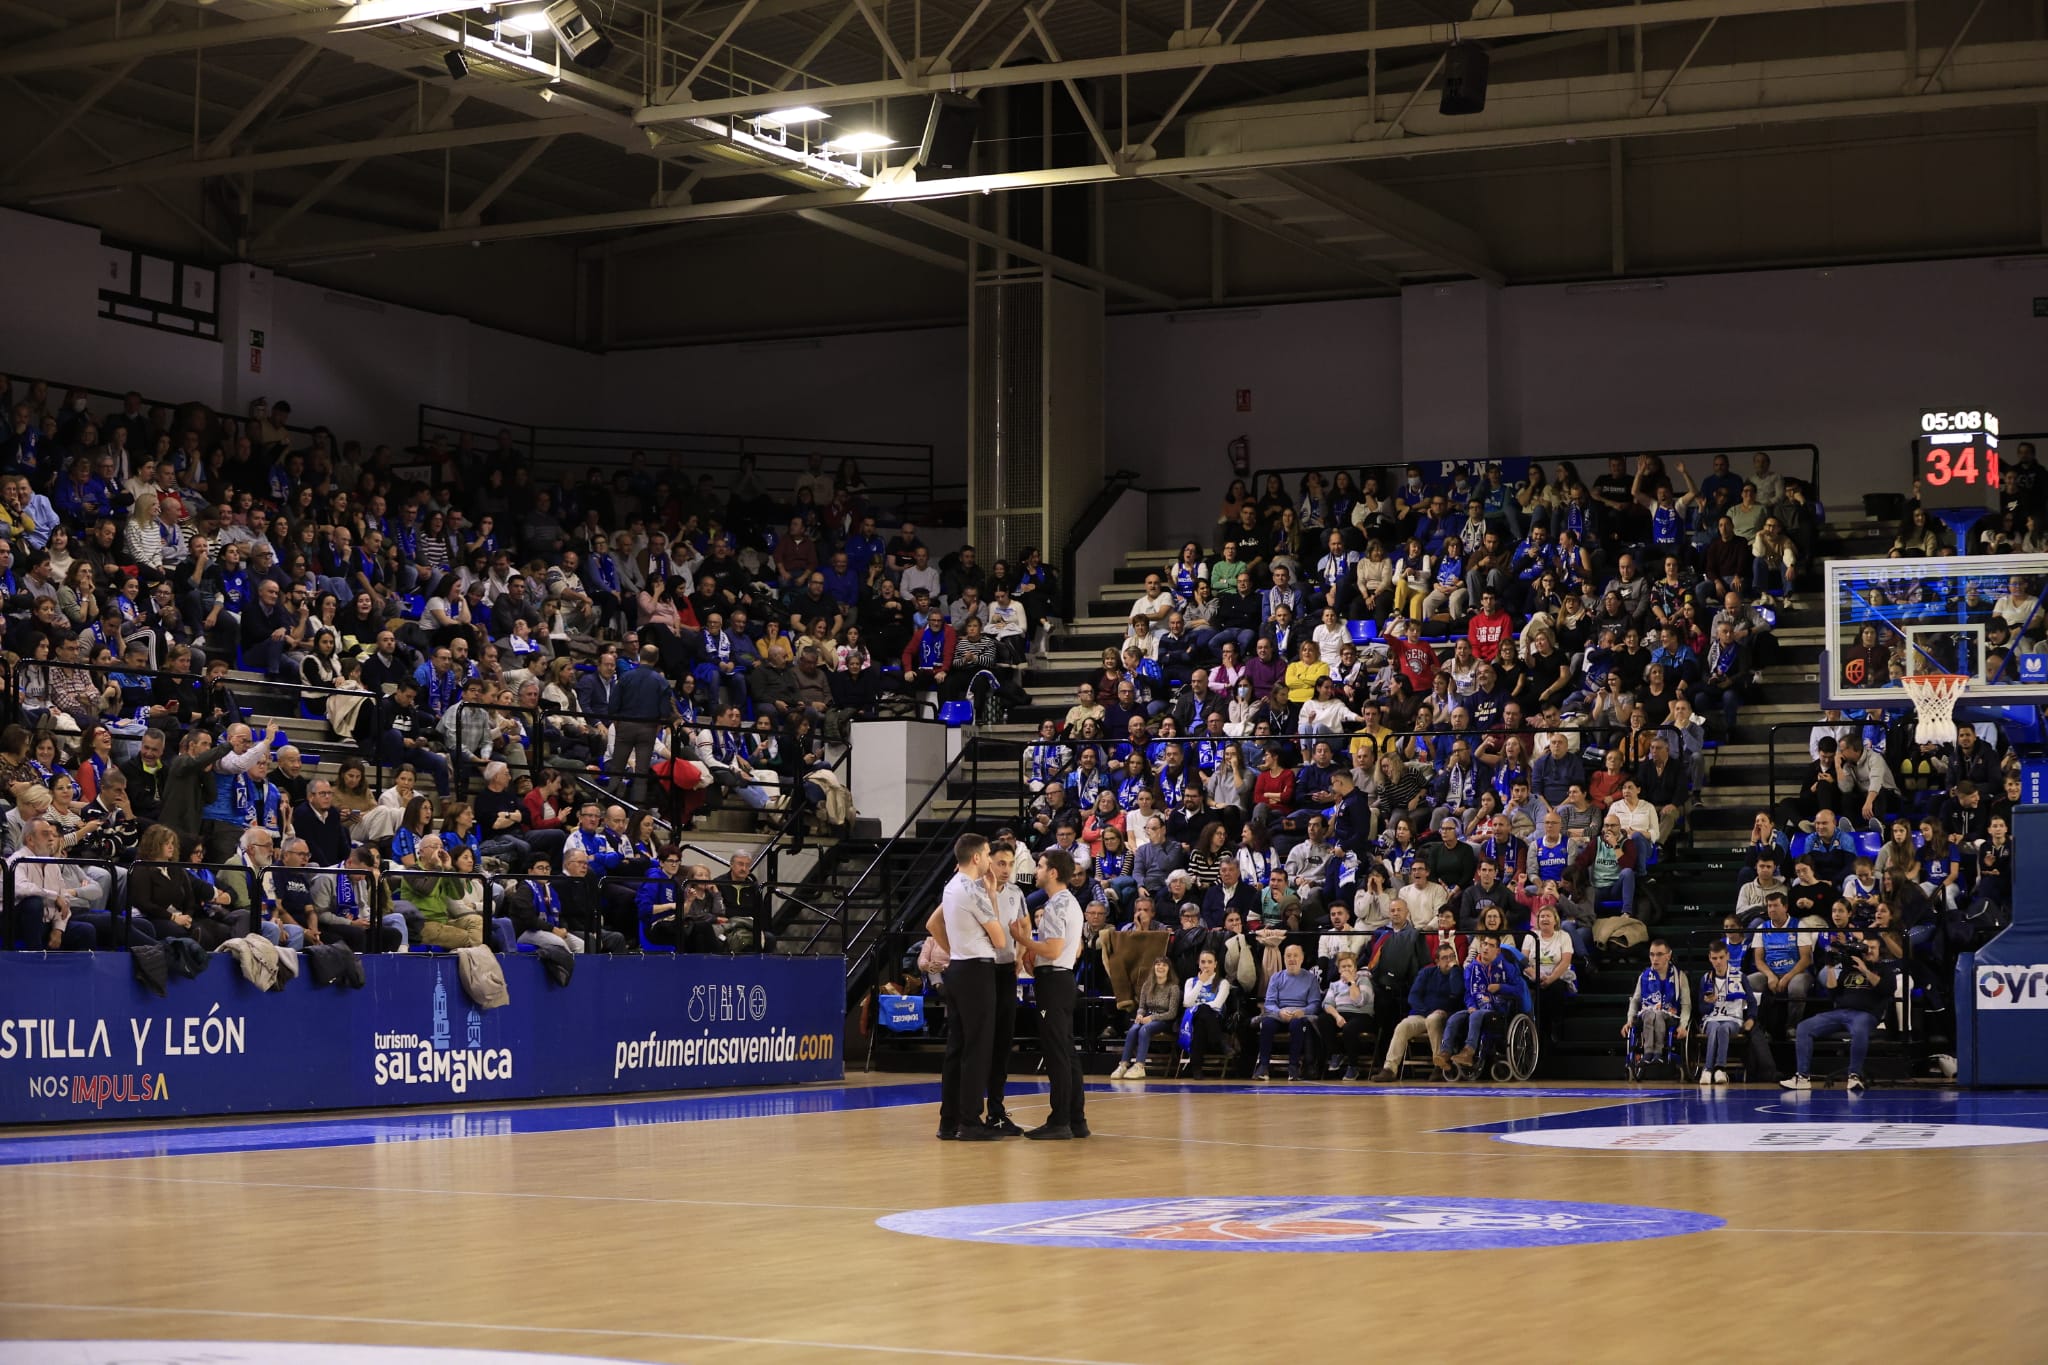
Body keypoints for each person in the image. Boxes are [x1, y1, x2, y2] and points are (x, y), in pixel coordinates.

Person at [929, 833, 1012, 1141]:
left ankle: (948, 1121)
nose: (991, 860)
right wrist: (991, 894)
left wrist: (955, 950)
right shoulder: (973, 891)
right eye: (989, 854)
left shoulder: (950, 886)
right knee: (978, 1048)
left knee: (957, 1047)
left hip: (959, 969)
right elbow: (1000, 940)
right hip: (977, 970)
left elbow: (932, 924)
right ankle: (970, 1121)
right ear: (976, 858)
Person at [1022, 847, 1088, 1139]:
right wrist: (1034, 958)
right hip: (1060, 978)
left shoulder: (1057, 905)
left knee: (1056, 1052)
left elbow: (1053, 949)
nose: (1035, 871)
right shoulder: (1067, 902)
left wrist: (1022, 940)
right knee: (1066, 1050)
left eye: (1039, 866)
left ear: (1052, 872)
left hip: (1054, 984)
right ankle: (1076, 1119)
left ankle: (1059, 1119)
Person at [1782, 923, 1893, 1093]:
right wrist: (1830, 968)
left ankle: (1854, 1076)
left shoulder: (1884, 970)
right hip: (1840, 1012)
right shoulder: (1849, 968)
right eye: (1866, 947)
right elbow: (1833, 993)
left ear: (1880, 951)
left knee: (1859, 1029)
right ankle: (1802, 1077)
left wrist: (1864, 970)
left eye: (1873, 948)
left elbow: (1886, 989)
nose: (1869, 951)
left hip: (1865, 1014)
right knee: (1804, 1027)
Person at [1372, 940, 1463, 1081]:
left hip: (1446, 1016)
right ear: (1437, 961)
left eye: (1452, 957)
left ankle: (1439, 1066)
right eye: (1445, 958)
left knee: (1434, 1019)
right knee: (1403, 1026)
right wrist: (1427, 1012)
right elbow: (1413, 997)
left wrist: (1455, 971)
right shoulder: (1426, 973)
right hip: (1422, 1014)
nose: (1449, 961)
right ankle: (1389, 1069)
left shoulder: (1458, 974)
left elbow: (1458, 993)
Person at [1441, 931, 1514, 1071]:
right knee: (1454, 1018)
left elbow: (1518, 989)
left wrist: (1500, 986)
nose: (1486, 947)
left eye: (1491, 945)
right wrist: (1471, 1006)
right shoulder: (1471, 968)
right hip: (1477, 1007)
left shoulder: (1507, 967)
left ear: (1497, 950)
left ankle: (1468, 1051)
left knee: (1476, 1015)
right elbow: (1469, 992)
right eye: (1484, 944)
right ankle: (1445, 1053)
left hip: (1498, 1008)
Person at [1112, 955, 1179, 1080]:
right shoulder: (1147, 985)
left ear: (1169, 969)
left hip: (1164, 1020)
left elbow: (1172, 1013)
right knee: (1133, 1029)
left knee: (1144, 1029)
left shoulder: (1173, 988)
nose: (1160, 967)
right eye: (1158, 964)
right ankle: (1123, 1064)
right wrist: (1140, 1014)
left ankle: (1139, 1066)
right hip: (1147, 1017)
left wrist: (1152, 1018)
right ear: (1154, 967)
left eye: (1164, 965)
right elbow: (1142, 1006)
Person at [1623, 938, 1691, 1062]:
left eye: (1659, 954)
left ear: (1668, 956)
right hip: (1647, 1013)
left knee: (1658, 1015)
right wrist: (1629, 1020)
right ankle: (1648, 1052)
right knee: (1650, 1015)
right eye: (1652, 954)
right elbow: (1635, 1000)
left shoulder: (1679, 976)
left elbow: (1686, 1005)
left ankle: (1658, 1052)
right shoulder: (1644, 976)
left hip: (1670, 1015)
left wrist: (1683, 1025)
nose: (1655, 959)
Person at [1315, 951, 1375, 1081]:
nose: (1346, 969)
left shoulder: (1363, 980)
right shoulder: (1334, 985)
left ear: (1355, 967)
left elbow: (1359, 1001)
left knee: (1349, 1029)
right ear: (1338, 969)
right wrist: (1337, 1016)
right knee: (1323, 1019)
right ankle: (1336, 1053)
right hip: (1340, 1013)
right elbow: (1327, 1004)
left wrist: (1351, 983)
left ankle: (1353, 1067)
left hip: (1361, 1015)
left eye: (1349, 966)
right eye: (1343, 967)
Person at [1698, 940, 1750, 1086]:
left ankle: (1720, 1068)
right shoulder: (1706, 979)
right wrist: (1708, 1004)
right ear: (1710, 958)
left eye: (1721, 957)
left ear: (1727, 956)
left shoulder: (1740, 976)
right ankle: (1708, 1070)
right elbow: (1701, 1009)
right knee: (1715, 1027)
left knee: (1723, 1028)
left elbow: (1751, 1000)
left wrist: (1751, 1018)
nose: (1718, 962)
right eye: (1714, 958)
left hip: (1733, 1019)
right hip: (1712, 1018)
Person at [1180, 947, 1233, 1077]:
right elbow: (1187, 1003)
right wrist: (1200, 983)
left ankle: (1196, 1067)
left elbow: (1216, 1005)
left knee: (1203, 1014)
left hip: (1215, 1019)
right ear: (1198, 963)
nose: (1206, 965)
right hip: (1191, 1019)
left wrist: (1199, 1005)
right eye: (1203, 962)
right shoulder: (1190, 982)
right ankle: (1220, 1042)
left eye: (1209, 962)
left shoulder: (1223, 982)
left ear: (1215, 964)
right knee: (1200, 1019)